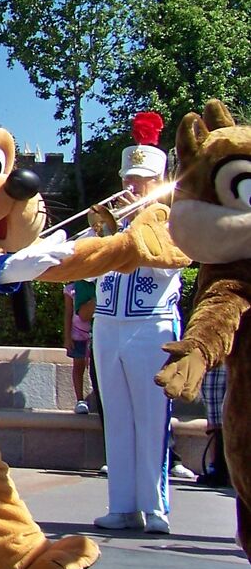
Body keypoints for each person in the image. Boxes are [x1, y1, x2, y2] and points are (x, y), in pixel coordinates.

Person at [93, 113, 183, 535]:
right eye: (130, 178)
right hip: (108, 324)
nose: (134, 187)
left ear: (159, 181)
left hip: (152, 324)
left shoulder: (173, 221)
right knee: (117, 417)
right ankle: (123, 504)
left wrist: (141, 226)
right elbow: (90, 271)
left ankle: (155, 505)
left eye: (143, 180)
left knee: (152, 417)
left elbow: (170, 264)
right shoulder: (109, 220)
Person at [65, 279, 95, 414]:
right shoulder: (71, 289)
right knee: (78, 366)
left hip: (96, 333)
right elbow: (68, 313)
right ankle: (80, 400)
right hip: (78, 334)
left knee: (95, 368)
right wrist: (67, 337)